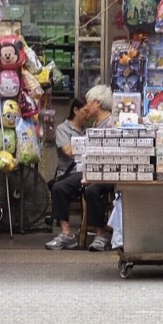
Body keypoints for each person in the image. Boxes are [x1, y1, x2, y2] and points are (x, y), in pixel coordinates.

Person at [45, 85, 116, 251]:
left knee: (92, 190)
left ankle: (100, 235)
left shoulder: (113, 123)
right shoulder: (95, 125)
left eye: (89, 102)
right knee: (59, 186)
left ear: (97, 103)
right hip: (88, 169)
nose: (87, 106)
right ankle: (66, 234)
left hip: (107, 171)